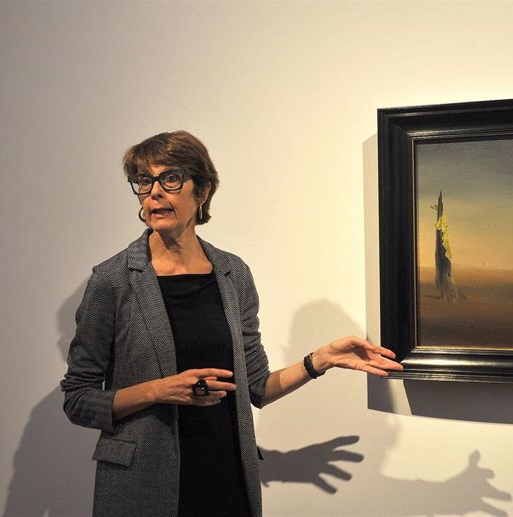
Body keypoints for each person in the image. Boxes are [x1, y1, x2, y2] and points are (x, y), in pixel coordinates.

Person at [61, 130, 402, 517]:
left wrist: (320, 360)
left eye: (170, 179)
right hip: (144, 485)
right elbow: (78, 398)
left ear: (202, 190)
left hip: (225, 479)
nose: (154, 192)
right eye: (143, 180)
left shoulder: (232, 273)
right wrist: (159, 390)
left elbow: (255, 387)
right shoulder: (114, 280)